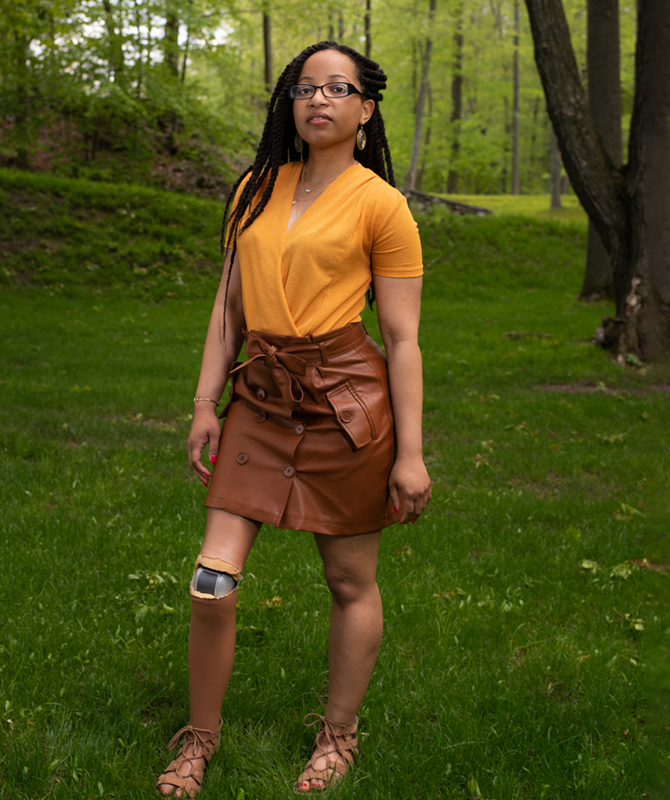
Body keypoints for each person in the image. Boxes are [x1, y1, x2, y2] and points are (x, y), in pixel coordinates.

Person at [155, 40, 432, 797]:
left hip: (346, 405)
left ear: (365, 110)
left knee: (349, 582)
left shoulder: (383, 204)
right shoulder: (253, 188)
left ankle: (337, 738)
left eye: (338, 88)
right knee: (212, 582)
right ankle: (197, 740)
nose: (319, 99)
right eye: (305, 87)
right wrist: (205, 403)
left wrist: (411, 452)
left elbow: (403, 340)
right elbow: (229, 306)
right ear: (290, 101)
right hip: (262, 399)